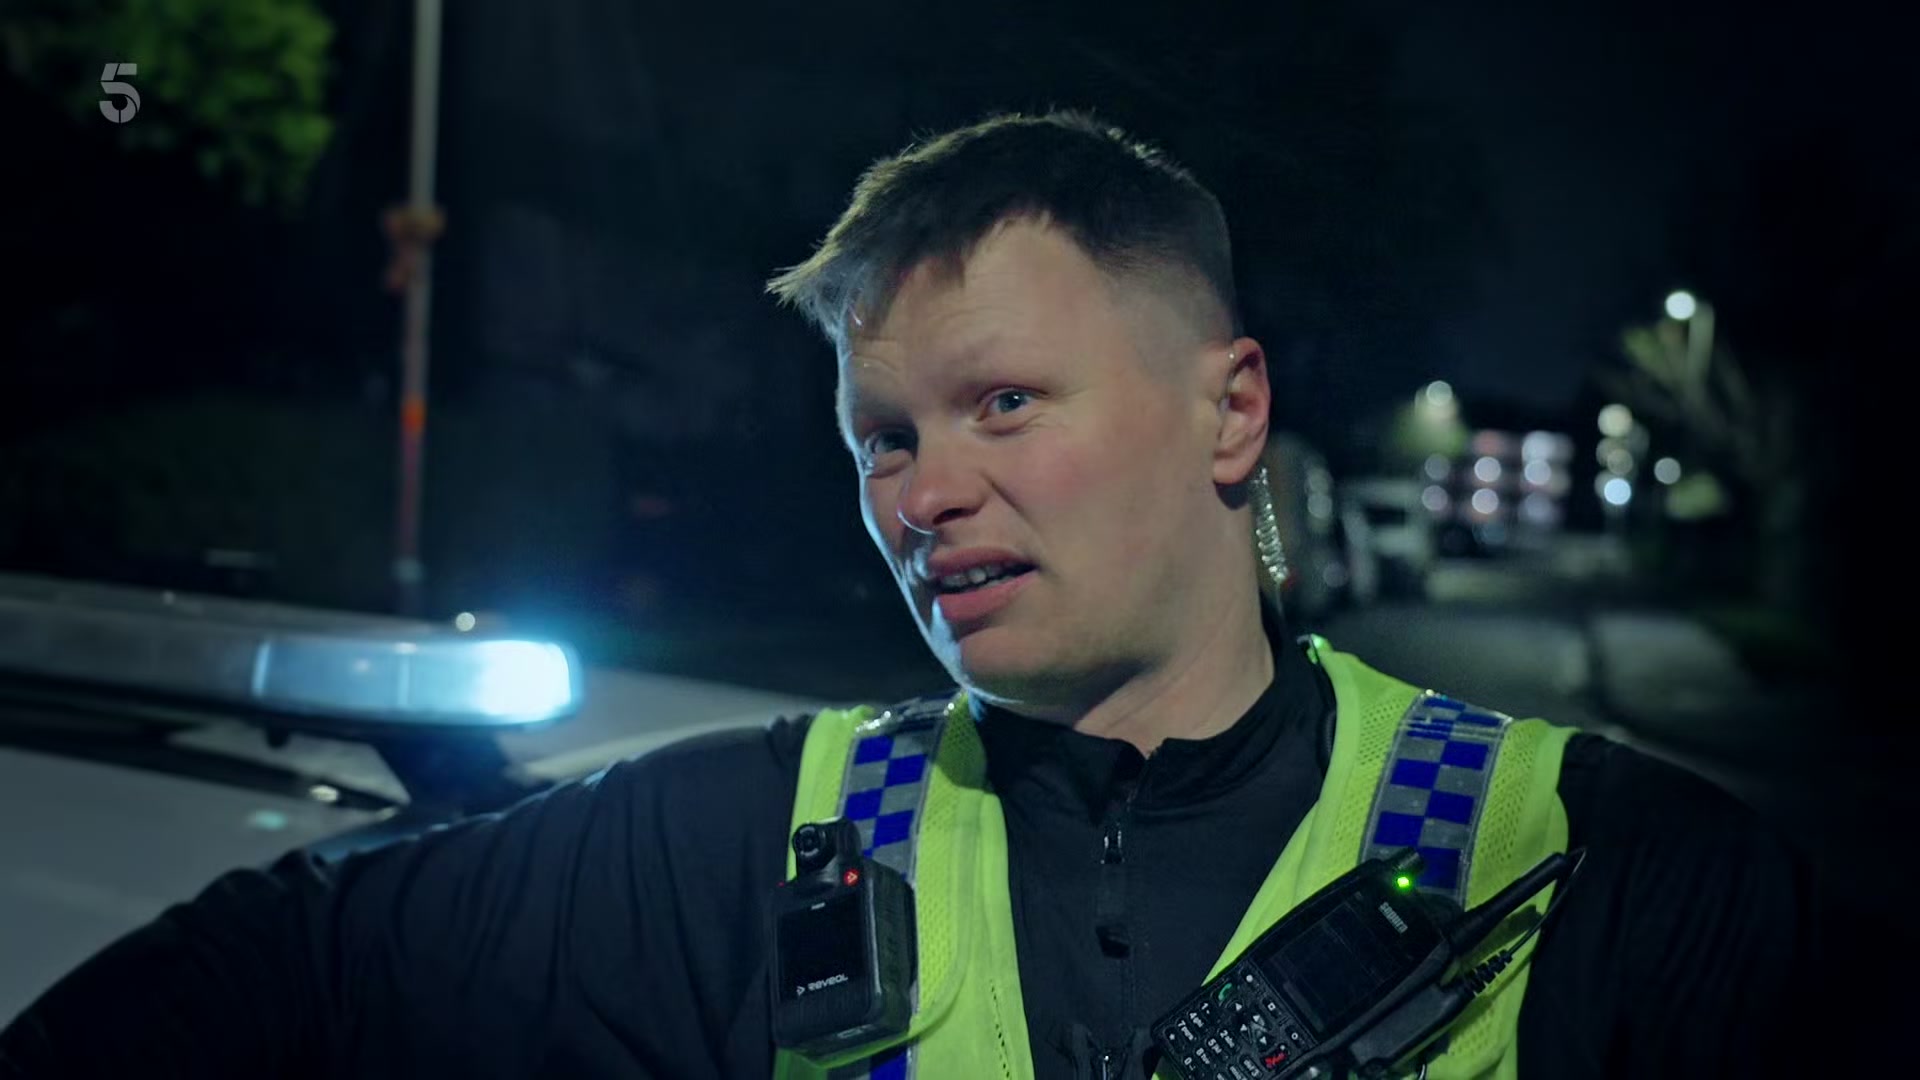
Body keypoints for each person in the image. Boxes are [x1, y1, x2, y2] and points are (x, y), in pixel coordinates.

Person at [1, 111, 1815, 1080]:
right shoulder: (734, 845)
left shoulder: (1612, 870)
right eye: (882, 435)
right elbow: (269, 972)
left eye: (1002, 404)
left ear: (1231, 411)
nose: (923, 492)